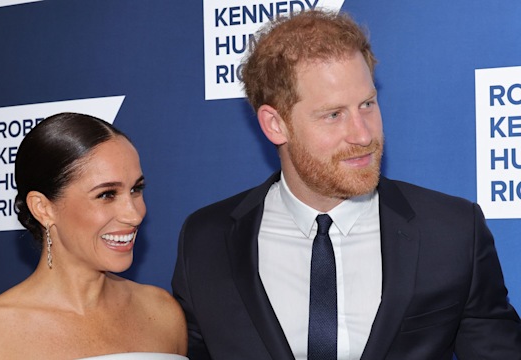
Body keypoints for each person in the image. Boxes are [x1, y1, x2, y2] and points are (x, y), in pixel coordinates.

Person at [171, 10, 521, 360]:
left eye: (367, 104)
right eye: (333, 114)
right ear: (275, 124)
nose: (363, 134)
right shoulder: (206, 241)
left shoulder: (452, 231)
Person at [0, 113, 187, 359]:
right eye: (106, 194)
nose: (134, 215)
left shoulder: (163, 313)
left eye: (136, 189)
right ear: (43, 208)